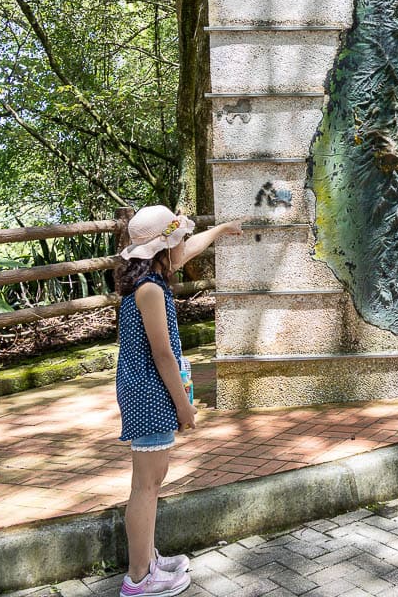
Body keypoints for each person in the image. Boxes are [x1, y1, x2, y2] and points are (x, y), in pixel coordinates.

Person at [114, 205, 242, 597]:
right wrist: (184, 406)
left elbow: (191, 249)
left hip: (146, 388)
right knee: (146, 485)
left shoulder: (152, 276)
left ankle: (148, 561)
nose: (183, 246)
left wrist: (219, 230)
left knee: (151, 480)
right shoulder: (151, 290)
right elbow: (162, 354)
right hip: (148, 389)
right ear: (162, 247)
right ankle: (139, 578)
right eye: (177, 240)